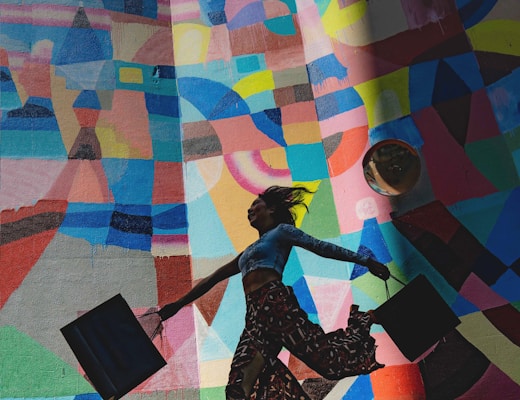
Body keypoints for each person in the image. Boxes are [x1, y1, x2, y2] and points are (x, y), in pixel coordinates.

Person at [147, 186, 389, 399]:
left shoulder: (281, 232)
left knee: (328, 364)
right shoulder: (247, 253)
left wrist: (366, 261)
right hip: (254, 314)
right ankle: (251, 379)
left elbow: (321, 247)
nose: (249, 209)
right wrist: (177, 305)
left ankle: (363, 320)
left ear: (271, 210)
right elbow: (212, 279)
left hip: (276, 304)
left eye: (255, 204)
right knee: (237, 388)